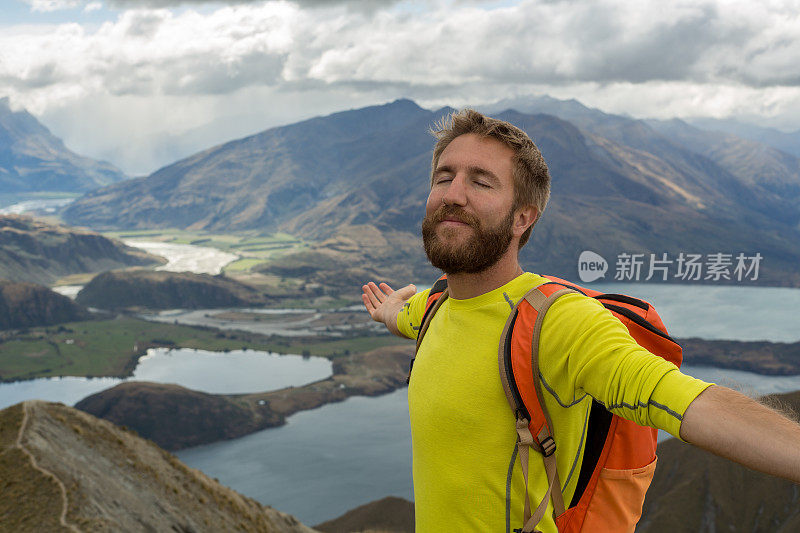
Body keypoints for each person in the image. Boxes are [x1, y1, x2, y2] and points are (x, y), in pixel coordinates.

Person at [361, 109, 800, 532]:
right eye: (444, 177)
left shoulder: (557, 322)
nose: (454, 193)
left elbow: (680, 399)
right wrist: (389, 312)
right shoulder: (436, 305)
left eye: (481, 181)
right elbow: (409, 316)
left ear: (522, 217)